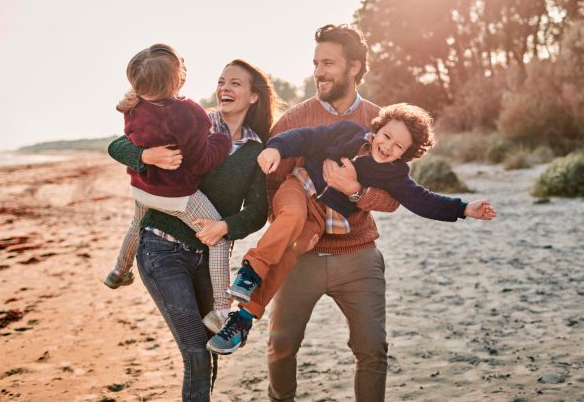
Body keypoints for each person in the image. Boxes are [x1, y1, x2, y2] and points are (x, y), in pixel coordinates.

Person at [206, 104, 496, 355]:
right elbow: (306, 137)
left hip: (321, 218)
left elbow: (422, 200)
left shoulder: (394, 175)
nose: (388, 147)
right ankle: (250, 271)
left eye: (399, 147)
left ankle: (243, 319)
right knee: (292, 216)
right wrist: (276, 147)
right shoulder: (347, 131)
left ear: (406, 154)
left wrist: (463, 208)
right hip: (299, 188)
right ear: (377, 129)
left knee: (288, 256)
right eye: (386, 136)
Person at [107, 59, 275, 401]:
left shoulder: (258, 149)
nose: (224, 88)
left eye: (236, 83)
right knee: (195, 350)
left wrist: (225, 226)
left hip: (208, 259)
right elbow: (117, 145)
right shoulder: (190, 119)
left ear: (254, 96)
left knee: (208, 352)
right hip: (162, 250)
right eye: (221, 81)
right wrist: (147, 156)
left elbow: (258, 212)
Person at [258, 23, 394, 402]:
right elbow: (272, 186)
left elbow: (394, 197)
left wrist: (358, 190)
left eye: (328, 63)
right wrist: (291, 227)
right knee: (280, 348)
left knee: (372, 350)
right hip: (300, 258)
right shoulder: (293, 121)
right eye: (316, 62)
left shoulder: (381, 122)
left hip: (359, 256)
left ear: (354, 67)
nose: (319, 71)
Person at [103, 44, 238, 330]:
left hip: (142, 189)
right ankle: (222, 311)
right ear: (178, 79)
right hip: (177, 197)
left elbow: (127, 140)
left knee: (136, 224)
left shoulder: (133, 104)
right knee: (217, 237)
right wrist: (221, 140)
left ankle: (120, 270)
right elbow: (201, 163)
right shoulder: (189, 113)